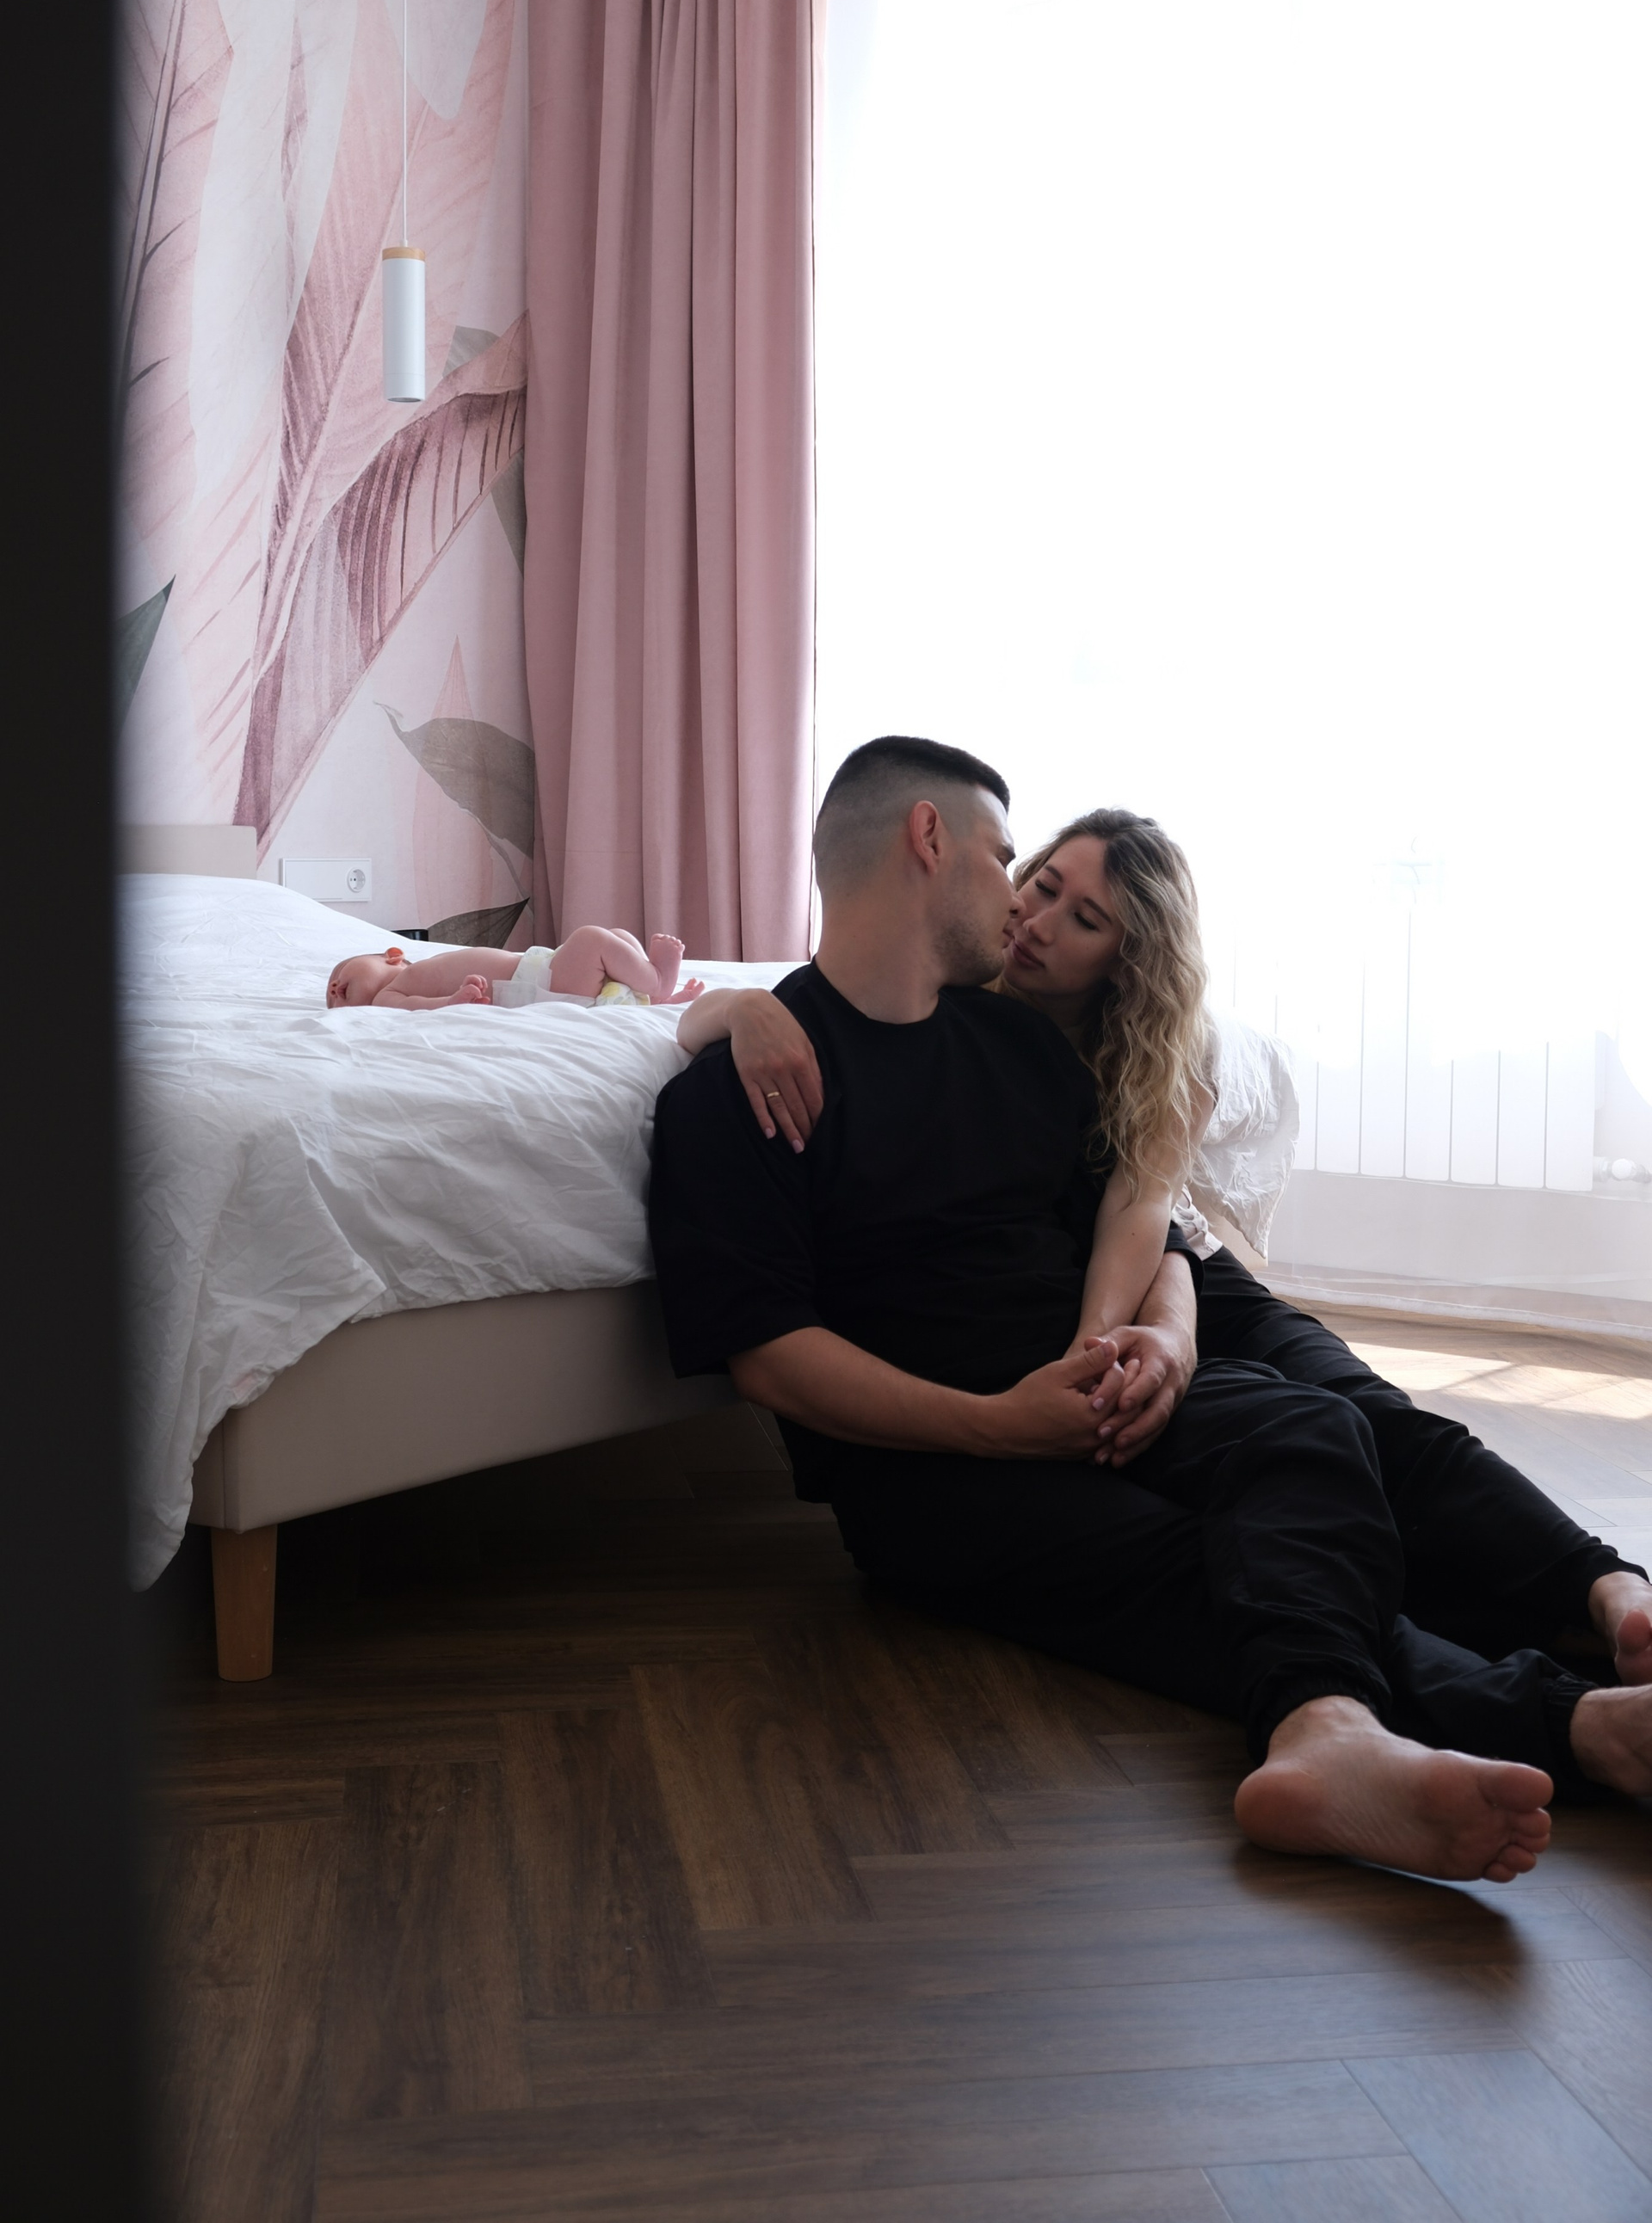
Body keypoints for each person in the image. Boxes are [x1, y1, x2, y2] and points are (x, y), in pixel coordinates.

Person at [650, 734, 1652, 1886]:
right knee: (1224, 1562)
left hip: (1098, 1389)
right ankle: (1567, 1725)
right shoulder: (744, 1092)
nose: (1021, 903)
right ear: (930, 840)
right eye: (1011, 861)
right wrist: (1002, 1425)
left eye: (1067, 904)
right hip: (937, 1466)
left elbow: (1148, 1229)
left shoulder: (1018, 1049)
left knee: (1319, 1428)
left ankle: (1370, 1717)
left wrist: (1157, 1351)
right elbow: (768, 1359)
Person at [325, 929, 705, 1011]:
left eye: (339, 974)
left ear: (392, 955)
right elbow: (417, 1008)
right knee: (591, 940)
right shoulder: (386, 998)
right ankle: (657, 981)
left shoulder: (412, 969)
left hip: (540, 969)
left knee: (616, 937)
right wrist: (454, 1000)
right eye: (331, 998)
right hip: (534, 989)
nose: (333, 990)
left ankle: (647, 995)